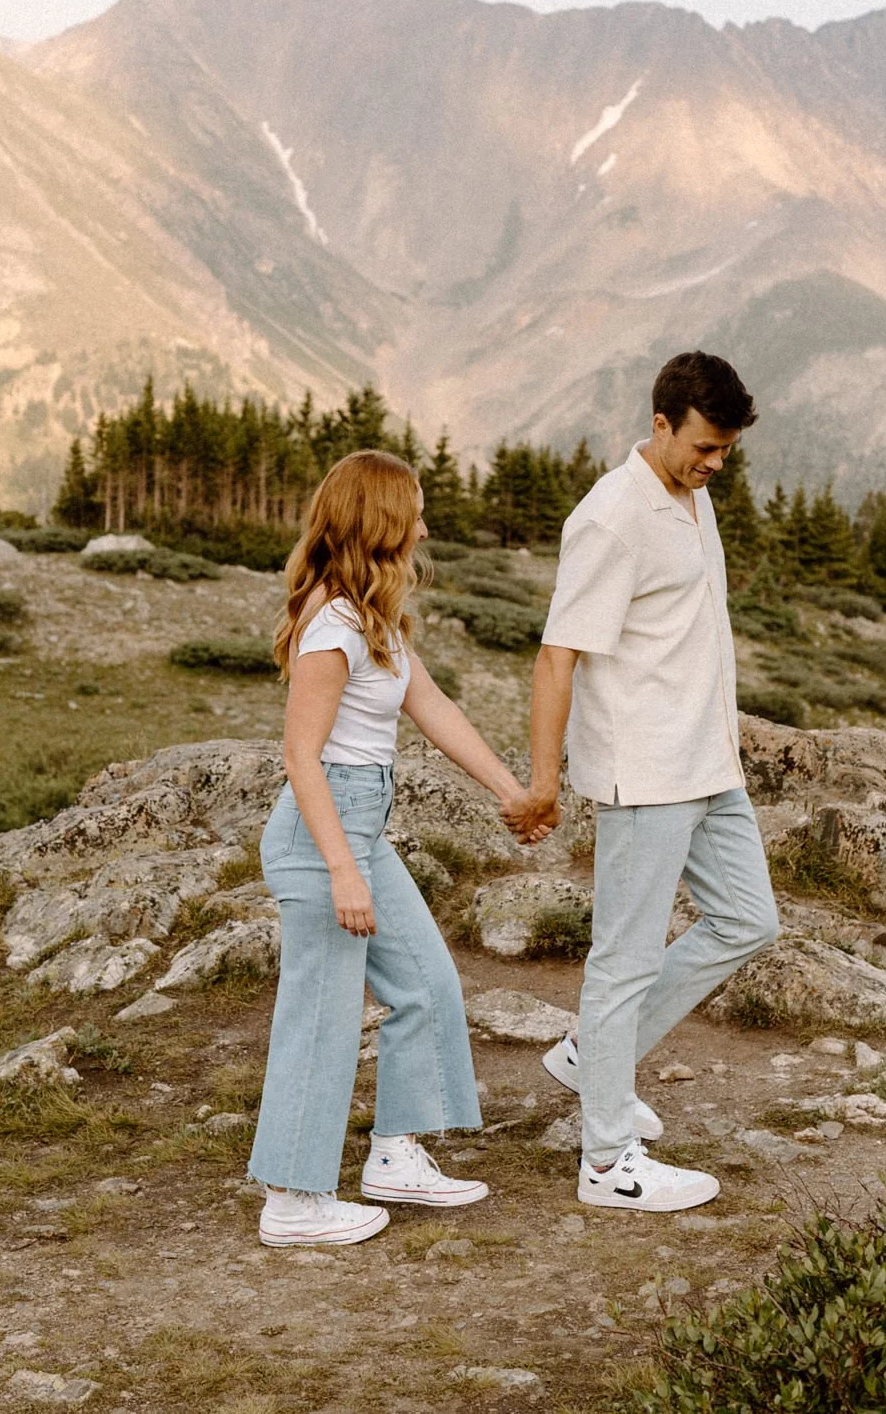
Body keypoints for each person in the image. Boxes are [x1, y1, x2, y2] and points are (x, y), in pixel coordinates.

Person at [247, 448, 535, 1247]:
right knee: (322, 1013)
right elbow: (301, 756)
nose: (425, 525)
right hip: (323, 834)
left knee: (426, 984)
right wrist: (343, 868)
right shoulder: (331, 628)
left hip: (358, 826)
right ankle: (293, 1201)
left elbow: (431, 706)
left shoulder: (374, 621)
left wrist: (511, 793)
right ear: (381, 520)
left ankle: (396, 1155)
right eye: (414, 509)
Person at [518, 352, 780, 1213]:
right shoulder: (612, 517)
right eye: (705, 447)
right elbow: (559, 653)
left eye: (726, 451)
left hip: (708, 761)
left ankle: (592, 1057)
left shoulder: (693, 495)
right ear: (661, 423)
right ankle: (606, 1165)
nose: (715, 465)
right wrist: (546, 780)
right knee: (623, 959)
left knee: (748, 920)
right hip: (645, 770)